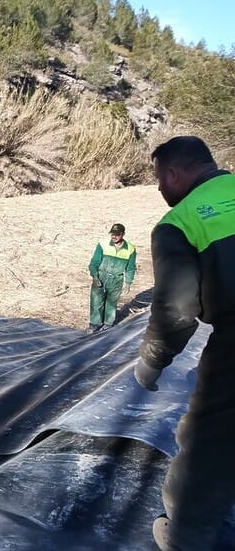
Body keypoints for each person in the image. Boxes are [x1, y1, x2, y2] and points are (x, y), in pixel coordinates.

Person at [132, 136, 235, 551]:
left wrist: (152, 360)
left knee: (209, 439)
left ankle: (187, 538)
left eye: (159, 180)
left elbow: (177, 309)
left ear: (174, 173)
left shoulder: (180, 222)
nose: (159, 190)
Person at [87, 222, 136, 333]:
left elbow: (131, 268)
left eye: (117, 234)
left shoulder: (130, 249)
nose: (114, 236)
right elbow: (94, 263)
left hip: (116, 280)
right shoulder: (103, 244)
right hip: (101, 276)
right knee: (96, 301)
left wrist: (128, 283)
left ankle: (107, 325)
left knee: (111, 302)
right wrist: (95, 276)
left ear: (123, 234)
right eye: (112, 234)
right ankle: (94, 324)